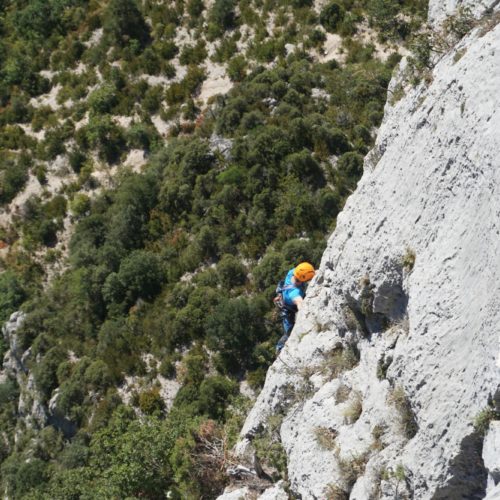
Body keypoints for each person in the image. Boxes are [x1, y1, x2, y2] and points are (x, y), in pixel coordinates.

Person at [275, 262, 315, 353]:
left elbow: (303, 271)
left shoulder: (292, 272)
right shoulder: (295, 293)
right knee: (289, 332)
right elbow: (299, 302)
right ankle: (280, 347)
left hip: (285, 300)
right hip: (288, 309)